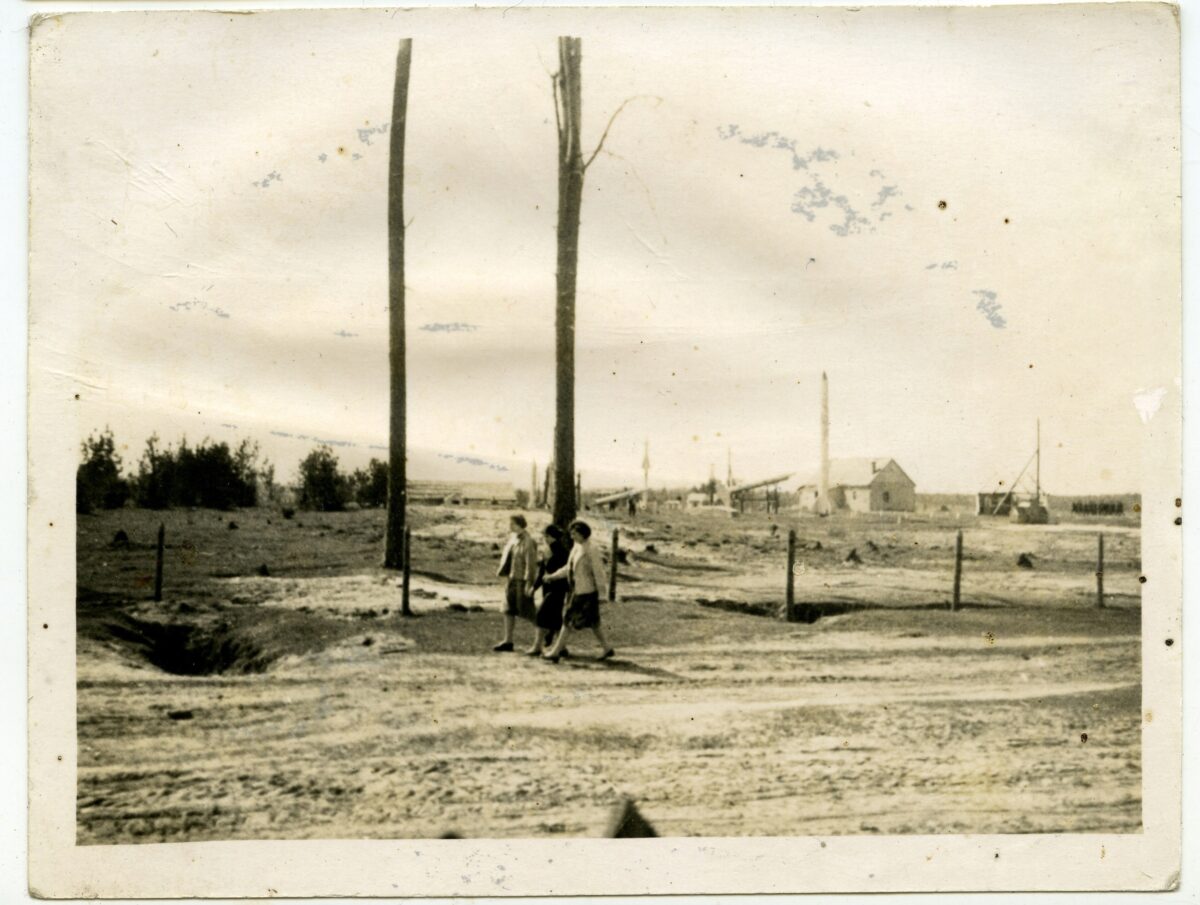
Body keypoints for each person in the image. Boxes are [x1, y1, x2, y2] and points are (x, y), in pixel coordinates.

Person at [543, 519, 614, 663]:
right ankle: (607, 648)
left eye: (574, 533)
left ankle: (556, 651)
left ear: (583, 534)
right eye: (571, 533)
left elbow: (598, 573)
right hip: (576, 590)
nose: (572, 536)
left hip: (587, 592)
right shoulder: (576, 547)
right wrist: (553, 576)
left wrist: (602, 595)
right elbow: (568, 568)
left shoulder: (591, 549)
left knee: (568, 620)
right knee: (594, 623)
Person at [493, 514, 538, 652]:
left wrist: (529, 583)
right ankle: (508, 640)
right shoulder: (513, 540)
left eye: (512, 524)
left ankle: (548, 635)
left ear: (520, 524)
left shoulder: (528, 541)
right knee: (507, 609)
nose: (510, 526)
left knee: (528, 611)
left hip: (522, 581)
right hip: (512, 579)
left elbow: (531, 564)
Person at [526, 524, 571, 656]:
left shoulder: (562, 552)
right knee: (556, 618)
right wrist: (534, 587)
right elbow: (542, 572)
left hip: (558, 588)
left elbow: (564, 572)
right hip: (548, 588)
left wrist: (549, 580)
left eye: (546, 535)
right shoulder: (547, 550)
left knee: (541, 615)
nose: (544, 538)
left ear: (552, 537)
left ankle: (537, 646)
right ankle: (562, 648)